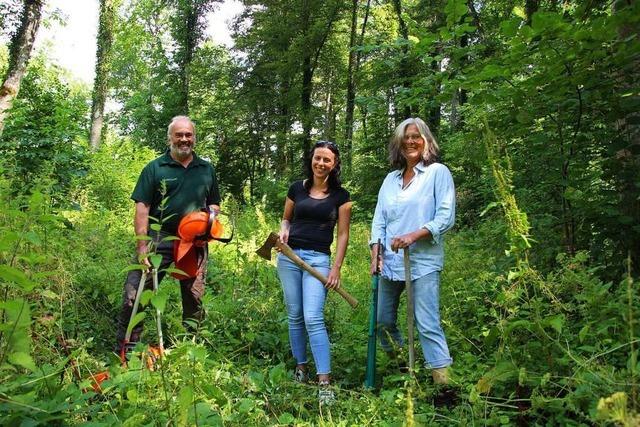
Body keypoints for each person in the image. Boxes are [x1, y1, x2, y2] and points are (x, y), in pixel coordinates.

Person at [115, 116, 221, 353]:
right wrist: (142, 246)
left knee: (194, 297)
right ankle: (126, 350)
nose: (184, 139)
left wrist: (209, 222)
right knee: (135, 294)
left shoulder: (206, 169)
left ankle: (190, 350)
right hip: (158, 238)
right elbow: (142, 208)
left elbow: (214, 203)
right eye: (179, 135)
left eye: (188, 135)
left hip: (194, 242)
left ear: (194, 137)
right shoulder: (155, 168)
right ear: (170, 137)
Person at [370, 117, 455, 386]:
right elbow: (379, 220)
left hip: (423, 262)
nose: (410, 141)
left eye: (416, 136)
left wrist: (415, 234)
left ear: (426, 141)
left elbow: (446, 216)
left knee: (427, 323)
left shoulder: (437, 173)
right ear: (398, 143)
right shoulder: (390, 180)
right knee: (382, 321)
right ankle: (404, 370)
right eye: (405, 137)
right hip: (391, 263)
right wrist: (376, 252)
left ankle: (443, 387)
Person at [277, 140, 352, 405]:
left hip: (318, 260)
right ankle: (301, 368)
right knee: (295, 315)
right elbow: (287, 218)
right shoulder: (297, 188)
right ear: (311, 159)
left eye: (327, 160)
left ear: (334, 164)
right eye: (317, 158)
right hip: (289, 257)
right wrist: (284, 229)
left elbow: (343, 234)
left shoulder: (341, 196)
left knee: (313, 317)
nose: (321, 163)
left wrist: (336, 268)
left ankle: (324, 382)